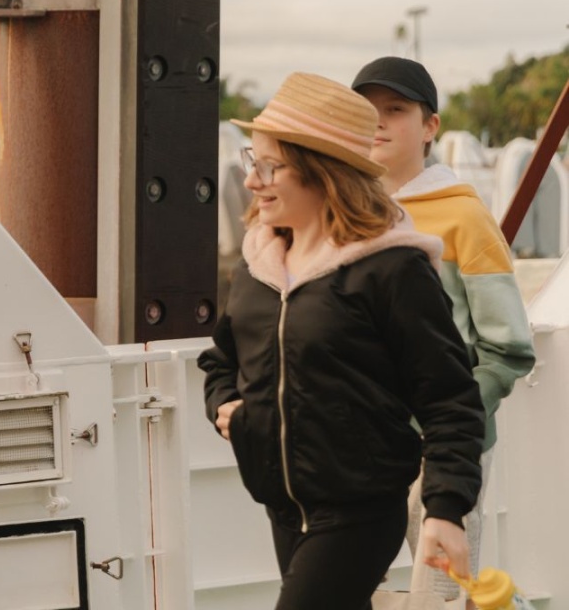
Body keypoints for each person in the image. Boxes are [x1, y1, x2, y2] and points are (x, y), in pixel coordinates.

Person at [199, 72, 486, 610]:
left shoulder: (392, 269)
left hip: (360, 512)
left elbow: (451, 398)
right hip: (284, 507)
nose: (253, 181)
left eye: (269, 166)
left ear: (322, 172)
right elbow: (221, 361)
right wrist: (230, 407)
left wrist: (446, 509)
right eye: (250, 161)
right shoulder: (257, 266)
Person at [353, 56, 536, 606]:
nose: (380, 121)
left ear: (430, 126)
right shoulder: (347, 214)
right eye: (367, 110)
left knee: (441, 595)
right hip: (364, 446)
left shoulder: (464, 217)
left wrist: (450, 420)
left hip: (445, 453)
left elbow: (507, 349)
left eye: (396, 109)